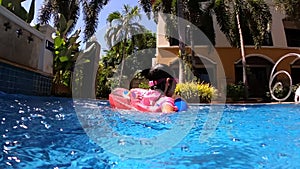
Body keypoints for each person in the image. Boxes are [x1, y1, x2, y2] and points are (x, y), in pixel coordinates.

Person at [109, 64, 187, 113]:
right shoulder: (165, 101)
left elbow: (121, 93)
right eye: (175, 82)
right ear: (168, 81)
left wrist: (130, 95)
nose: (175, 86)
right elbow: (168, 114)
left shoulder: (136, 92)